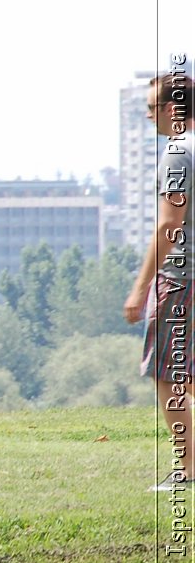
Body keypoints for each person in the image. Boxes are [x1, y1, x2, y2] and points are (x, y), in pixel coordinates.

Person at [125, 62, 192, 492]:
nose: (150, 116)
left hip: (181, 279)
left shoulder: (177, 153)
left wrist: (141, 286)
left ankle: (187, 471)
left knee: (169, 373)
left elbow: (171, 223)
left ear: (175, 108)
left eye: (153, 107)